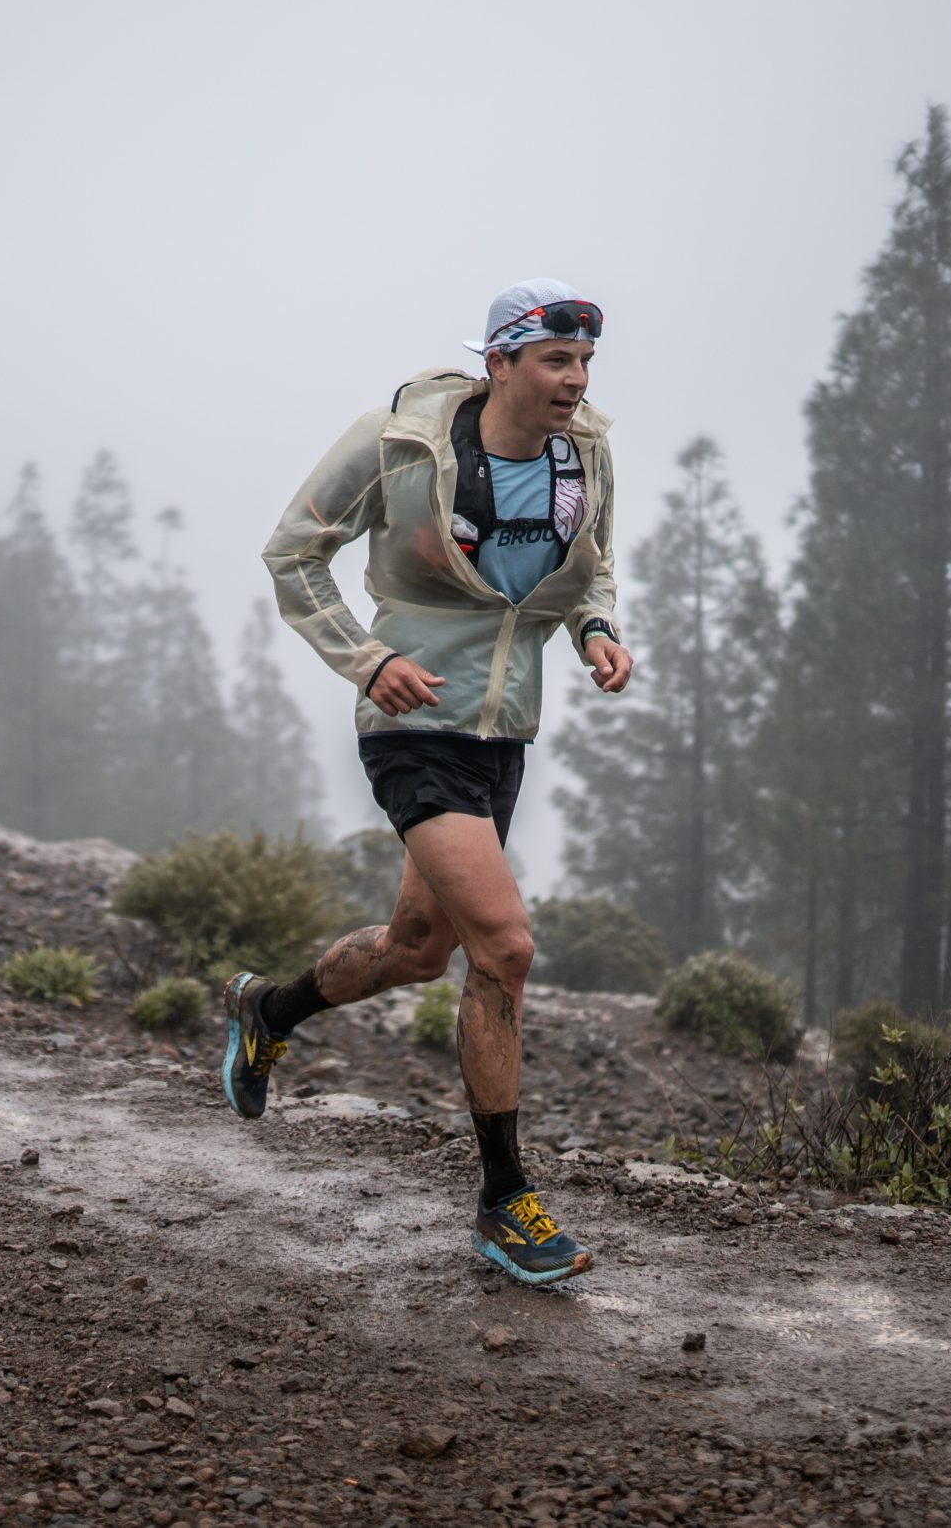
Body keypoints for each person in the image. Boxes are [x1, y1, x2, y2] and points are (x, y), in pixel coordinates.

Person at [226, 278, 633, 1286]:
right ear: (499, 363)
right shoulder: (399, 443)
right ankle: (504, 1200)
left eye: (583, 364)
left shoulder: (584, 451)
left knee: (416, 950)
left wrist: (595, 630)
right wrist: (366, 662)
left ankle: (268, 1013)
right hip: (411, 726)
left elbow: (592, 565)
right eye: (553, 362)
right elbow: (292, 554)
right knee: (503, 949)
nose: (573, 382)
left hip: (502, 733)